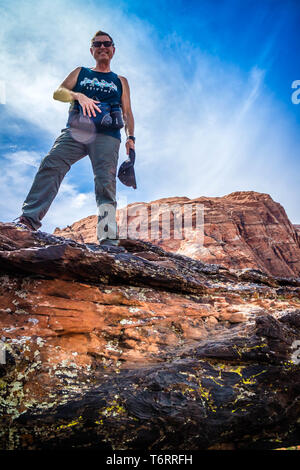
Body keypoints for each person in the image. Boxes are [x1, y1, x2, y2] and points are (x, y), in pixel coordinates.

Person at [15, 30, 135, 250]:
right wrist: (78, 95)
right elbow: (58, 92)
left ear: (113, 50)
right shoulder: (81, 72)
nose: (102, 47)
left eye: (106, 44)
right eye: (97, 44)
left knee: (105, 185)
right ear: (92, 50)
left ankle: (108, 240)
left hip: (108, 136)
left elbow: (127, 112)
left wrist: (131, 138)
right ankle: (28, 220)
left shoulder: (120, 81)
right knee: (51, 163)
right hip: (76, 131)